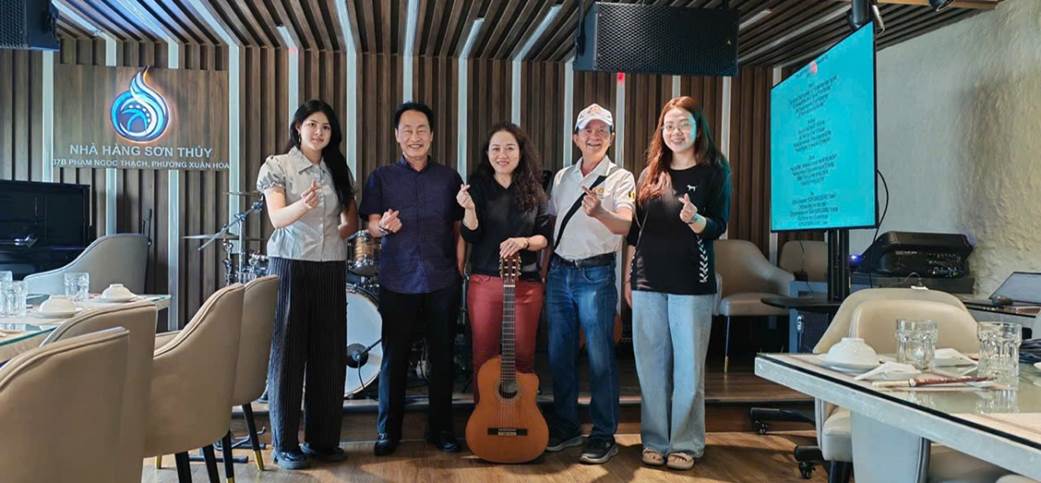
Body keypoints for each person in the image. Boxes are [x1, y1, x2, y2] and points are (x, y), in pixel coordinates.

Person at [623, 96, 731, 471]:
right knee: (651, 367)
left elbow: (718, 225)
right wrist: (629, 276)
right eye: (669, 125)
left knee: (688, 368)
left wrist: (695, 220)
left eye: (684, 124)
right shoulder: (650, 174)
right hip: (647, 282)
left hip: (693, 282)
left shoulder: (715, 171)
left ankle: (685, 442)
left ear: (698, 129)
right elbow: (635, 232)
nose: (676, 131)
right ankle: (655, 439)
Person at [359, 101, 465, 456]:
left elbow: (459, 226)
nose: (415, 137)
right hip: (398, 278)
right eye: (407, 130)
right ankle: (387, 431)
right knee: (395, 357)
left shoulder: (449, 178)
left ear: (431, 135)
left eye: (421, 130)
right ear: (397, 136)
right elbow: (371, 225)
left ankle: (442, 430)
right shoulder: (382, 177)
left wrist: (460, 267)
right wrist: (383, 227)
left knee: (443, 356)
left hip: (441, 279)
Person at [256, 99, 358, 469]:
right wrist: (304, 205)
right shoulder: (278, 165)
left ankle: (323, 441)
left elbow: (350, 222)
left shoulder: (338, 169)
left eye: (326, 127)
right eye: (312, 124)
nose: (319, 132)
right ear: (298, 127)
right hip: (290, 265)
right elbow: (277, 217)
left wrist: (339, 234)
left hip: (331, 266)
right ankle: (285, 444)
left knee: (329, 355)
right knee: (288, 354)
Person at [544, 103, 635, 464]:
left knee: (600, 356)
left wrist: (599, 212)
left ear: (611, 138)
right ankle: (566, 427)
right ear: (575, 137)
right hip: (559, 273)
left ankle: (603, 434)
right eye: (587, 130)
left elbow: (625, 226)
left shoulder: (621, 177)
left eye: (602, 130)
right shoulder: (562, 177)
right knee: (559, 354)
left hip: (596, 275)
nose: (594, 136)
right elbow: (552, 225)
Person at [458, 122, 552, 401]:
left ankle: (522, 415)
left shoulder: (535, 190)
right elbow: (471, 234)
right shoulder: (478, 187)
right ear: (487, 153)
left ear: (520, 153)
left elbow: (545, 237)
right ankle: (485, 417)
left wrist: (523, 242)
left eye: (509, 148)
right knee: (483, 356)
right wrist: (469, 209)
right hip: (486, 282)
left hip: (526, 284)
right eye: (496, 148)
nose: (502, 155)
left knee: (523, 357)